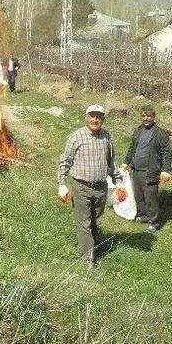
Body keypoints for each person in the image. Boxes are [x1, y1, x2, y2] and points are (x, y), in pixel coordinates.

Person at [57, 104, 118, 269]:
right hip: (81, 187)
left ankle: (91, 247)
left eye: (99, 116)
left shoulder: (106, 137)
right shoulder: (75, 137)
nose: (95, 119)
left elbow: (112, 162)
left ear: (103, 119)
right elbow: (65, 161)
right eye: (92, 115)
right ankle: (87, 261)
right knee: (84, 223)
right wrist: (61, 183)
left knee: (95, 221)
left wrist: (118, 182)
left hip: (101, 188)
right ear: (86, 117)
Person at [121, 105, 172, 233]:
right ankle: (143, 215)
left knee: (151, 197)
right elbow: (132, 148)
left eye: (149, 116)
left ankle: (153, 222)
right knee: (139, 195)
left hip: (151, 171)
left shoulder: (160, 133)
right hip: (136, 170)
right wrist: (126, 162)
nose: (146, 118)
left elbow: (167, 153)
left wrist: (166, 170)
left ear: (153, 117)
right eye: (143, 116)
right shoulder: (138, 130)